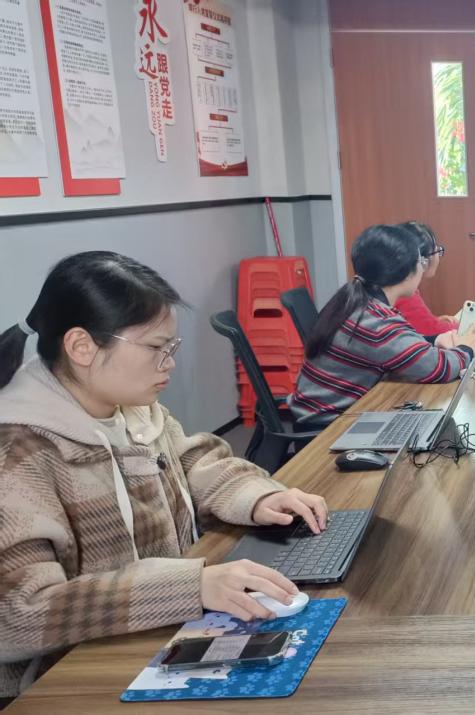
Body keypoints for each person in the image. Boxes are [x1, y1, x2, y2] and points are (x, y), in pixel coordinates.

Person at [0, 252, 327, 699]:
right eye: (156, 348)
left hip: (157, 637)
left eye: (171, 348)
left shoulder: (130, 408)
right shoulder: (19, 453)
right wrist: (189, 587)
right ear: (81, 347)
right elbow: (16, 614)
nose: (169, 363)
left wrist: (258, 496)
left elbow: (191, 461)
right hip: (73, 679)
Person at [289, 224, 475, 425]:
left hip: (320, 410)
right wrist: (467, 348)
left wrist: (435, 340)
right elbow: (438, 368)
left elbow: (392, 346)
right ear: (405, 271)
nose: (423, 267)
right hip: (331, 424)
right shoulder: (376, 321)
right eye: (420, 261)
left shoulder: (356, 298)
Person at [393, 221, 462, 336]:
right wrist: (468, 327)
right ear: (422, 258)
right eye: (436, 251)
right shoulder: (404, 292)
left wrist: (435, 321)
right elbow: (430, 330)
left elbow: (418, 325)